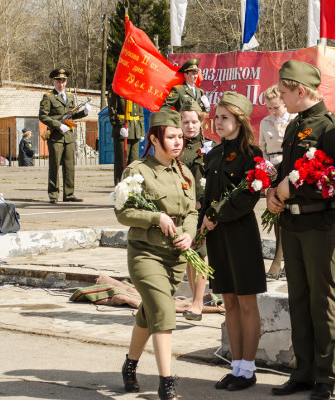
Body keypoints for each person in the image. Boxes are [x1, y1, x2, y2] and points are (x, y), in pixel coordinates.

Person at [267, 60, 335, 400]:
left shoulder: (332, 128)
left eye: (285, 92)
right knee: (297, 297)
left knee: (321, 297)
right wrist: (274, 192)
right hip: (293, 221)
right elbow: (285, 171)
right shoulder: (293, 126)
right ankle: (302, 372)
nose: (281, 99)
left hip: (320, 222)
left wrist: (291, 190)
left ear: (300, 90)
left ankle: (325, 378)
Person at [116, 108, 197, 400]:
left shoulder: (186, 172)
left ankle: (130, 364)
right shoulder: (137, 171)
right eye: (171, 137)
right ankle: (167, 383)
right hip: (145, 254)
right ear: (154, 137)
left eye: (180, 137)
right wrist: (155, 218)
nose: (178, 142)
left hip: (174, 259)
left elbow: (191, 213)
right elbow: (123, 213)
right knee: (163, 312)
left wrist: (189, 232)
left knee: (149, 312)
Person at [200, 91, 266, 392]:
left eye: (225, 118)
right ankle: (235, 365)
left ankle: (248, 369)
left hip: (240, 234)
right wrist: (204, 215)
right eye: (216, 117)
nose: (218, 122)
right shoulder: (212, 155)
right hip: (218, 236)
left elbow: (248, 198)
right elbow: (207, 195)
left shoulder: (252, 155)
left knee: (246, 301)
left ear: (239, 119)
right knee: (228, 301)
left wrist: (217, 215)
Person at [259, 85, 295, 279]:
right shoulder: (266, 122)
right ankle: (277, 260)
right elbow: (262, 149)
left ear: (284, 103)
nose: (272, 112)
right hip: (273, 170)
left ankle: (288, 261)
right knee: (275, 214)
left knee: (289, 214)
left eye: (276, 108)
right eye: (269, 108)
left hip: (290, 170)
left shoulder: (294, 119)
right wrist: (265, 166)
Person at [38, 68, 90, 203]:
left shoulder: (70, 96)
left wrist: (84, 112)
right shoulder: (48, 97)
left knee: (69, 166)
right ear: (53, 82)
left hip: (68, 136)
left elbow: (72, 116)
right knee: (54, 165)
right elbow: (43, 116)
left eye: (63, 81)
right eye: (58, 81)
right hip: (55, 136)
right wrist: (57, 125)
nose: (61, 84)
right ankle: (53, 194)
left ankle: (69, 194)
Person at [178, 100, 208, 321]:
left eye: (194, 121)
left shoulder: (211, 147)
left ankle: (198, 302)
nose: (190, 126)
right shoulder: (174, 146)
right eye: (186, 122)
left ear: (201, 123)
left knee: (199, 254)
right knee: (189, 256)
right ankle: (194, 298)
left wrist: (203, 202)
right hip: (182, 209)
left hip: (203, 209)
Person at [108, 86, 145, 185]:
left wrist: (141, 131)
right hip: (123, 130)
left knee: (134, 164)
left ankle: (132, 190)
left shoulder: (137, 88)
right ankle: (120, 189)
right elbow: (112, 111)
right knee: (121, 164)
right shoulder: (117, 87)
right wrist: (119, 128)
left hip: (135, 130)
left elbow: (140, 113)